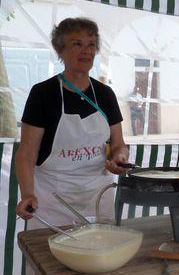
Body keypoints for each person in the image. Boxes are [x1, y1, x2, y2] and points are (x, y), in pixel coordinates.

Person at [15, 18, 128, 233]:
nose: (86, 51)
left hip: (97, 194)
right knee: (49, 260)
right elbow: (27, 153)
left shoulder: (105, 94)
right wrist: (27, 194)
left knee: (99, 258)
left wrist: (119, 157)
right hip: (52, 199)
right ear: (60, 49)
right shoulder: (43, 94)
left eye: (91, 44)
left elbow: (119, 144)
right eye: (77, 44)